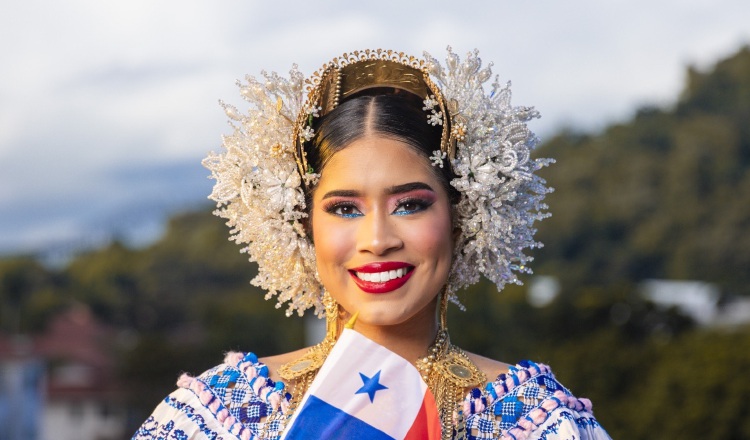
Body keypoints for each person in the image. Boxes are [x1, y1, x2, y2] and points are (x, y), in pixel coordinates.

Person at [133, 48, 611, 440]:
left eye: (410, 205)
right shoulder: (220, 417)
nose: (378, 240)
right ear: (302, 225)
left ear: (462, 214)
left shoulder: (537, 421)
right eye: (345, 209)